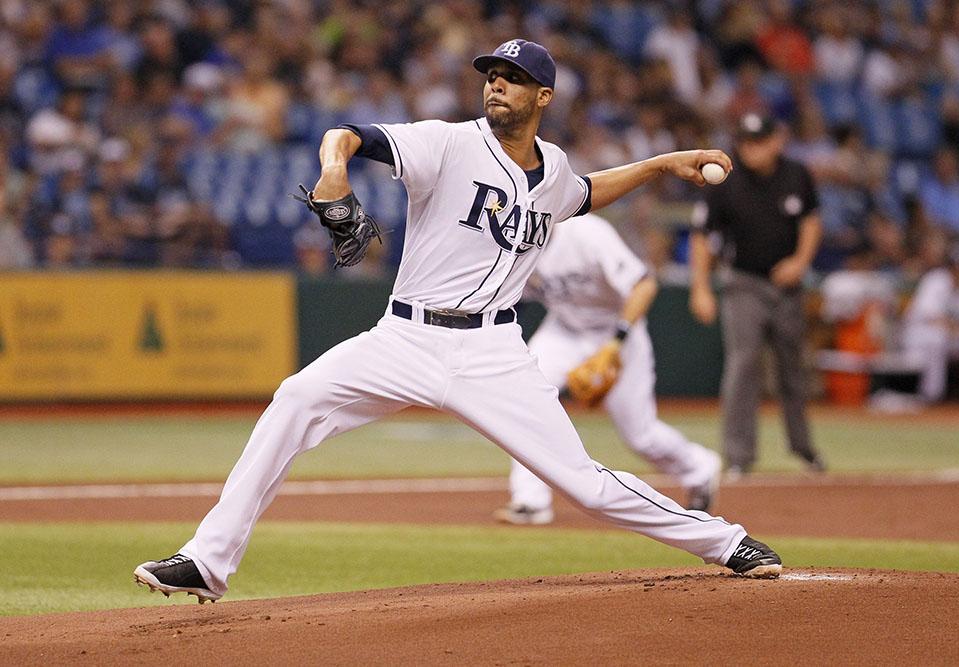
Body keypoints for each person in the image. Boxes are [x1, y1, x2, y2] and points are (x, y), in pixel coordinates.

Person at [134, 39, 782, 604]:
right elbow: (349, 135)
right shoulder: (446, 142)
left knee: (584, 483)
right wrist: (335, 171)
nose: (497, 83)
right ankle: (208, 559)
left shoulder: (551, 168)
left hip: (494, 352)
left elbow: (584, 192)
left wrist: (660, 165)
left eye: (514, 77)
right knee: (296, 397)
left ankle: (725, 541)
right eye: (491, 74)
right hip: (404, 337)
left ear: (544, 96)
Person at [494, 212, 722, 526]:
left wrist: (616, 343)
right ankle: (530, 500)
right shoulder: (512, 247)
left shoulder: (586, 234)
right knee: (522, 399)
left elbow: (644, 286)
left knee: (640, 435)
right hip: (564, 330)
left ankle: (700, 467)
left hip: (617, 332)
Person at [689, 112, 825, 476]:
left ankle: (804, 449)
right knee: (743, 365)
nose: (751, 149)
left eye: (758, 141)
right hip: (743, 283)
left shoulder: (796, 174)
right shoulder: (727, 181)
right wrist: (701, 287)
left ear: (776, 140)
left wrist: (800, 261)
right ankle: (738, 456)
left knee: (792, 371)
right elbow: (702, 235)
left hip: (788, 286)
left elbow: (811, 220)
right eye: (746, 142)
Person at [900, 242, 959, 406]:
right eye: (954, 267)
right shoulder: (934, 280)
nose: (958, 271)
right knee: (937, 338)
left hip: (957, 338)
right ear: (948, 268)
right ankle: (932, 396)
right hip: (922, 338)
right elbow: (932, 319)